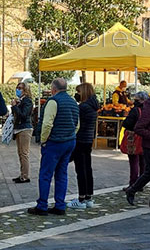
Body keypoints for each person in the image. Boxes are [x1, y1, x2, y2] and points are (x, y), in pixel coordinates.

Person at [28, 77, 79, 216]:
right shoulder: (73, 102)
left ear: (53, 89)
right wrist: (70, 135)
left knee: (45, 174)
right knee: (62, 174)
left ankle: (42, 205)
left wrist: (43, 140)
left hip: (55, 142)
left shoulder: (53, 101)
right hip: (69, 141)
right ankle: (60, 205)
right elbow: (77, 124)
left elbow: (47, 123)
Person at [69, 83, 99, 209]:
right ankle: (88, 197)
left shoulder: (83, 107)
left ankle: (81, 199)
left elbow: (76, 123)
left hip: (80, 140)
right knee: (87, 168)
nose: (77, 94)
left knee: (80, 169)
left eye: (78, 92)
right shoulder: (93, 106)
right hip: (88, 140)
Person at [121, 92, 147, 188]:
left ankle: (133, 183)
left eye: (136, 99)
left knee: (134, 161)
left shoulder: (135, 110)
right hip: (145, 137)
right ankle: (141, 183)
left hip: (134, 138)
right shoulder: (148, 110)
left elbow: (127, 124)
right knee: (143, 161)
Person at [10, 82, 35, 184]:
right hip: (19, 128)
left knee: (24, 153)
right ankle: (22, 174)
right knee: (20, 153)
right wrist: (15, 106)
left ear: (25, 90)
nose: (18, 90)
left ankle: (25, 176)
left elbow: (24, 115)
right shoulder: (20, 101)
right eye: (17, 88)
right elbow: (15, 114)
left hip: (25, 129)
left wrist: (15, 106)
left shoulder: (27, 101)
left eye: (20, 88)